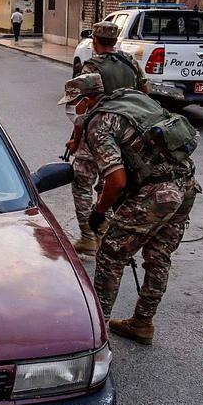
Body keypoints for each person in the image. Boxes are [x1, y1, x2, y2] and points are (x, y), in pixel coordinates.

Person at [59, 73, 200, 345]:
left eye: (73, 103)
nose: (71, 109)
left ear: (86, 100)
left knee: (111, 252)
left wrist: (98, 213)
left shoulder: (98, 122)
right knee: (159, 256)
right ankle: (142, 323)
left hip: (156, 193)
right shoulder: (131, 98)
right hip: (186, 185)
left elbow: (116, 180)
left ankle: (95, 333)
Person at [66, 20, 149, 256]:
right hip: (126, 135)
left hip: (98, 133)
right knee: (110, 184)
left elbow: (82, 108)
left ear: (94, 40)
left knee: (81, 183)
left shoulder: (91, 67)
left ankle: (88, 237)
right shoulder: (129, 61)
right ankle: (106, 234)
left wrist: (75, 139)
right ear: (115, 40)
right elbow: (146, 93)